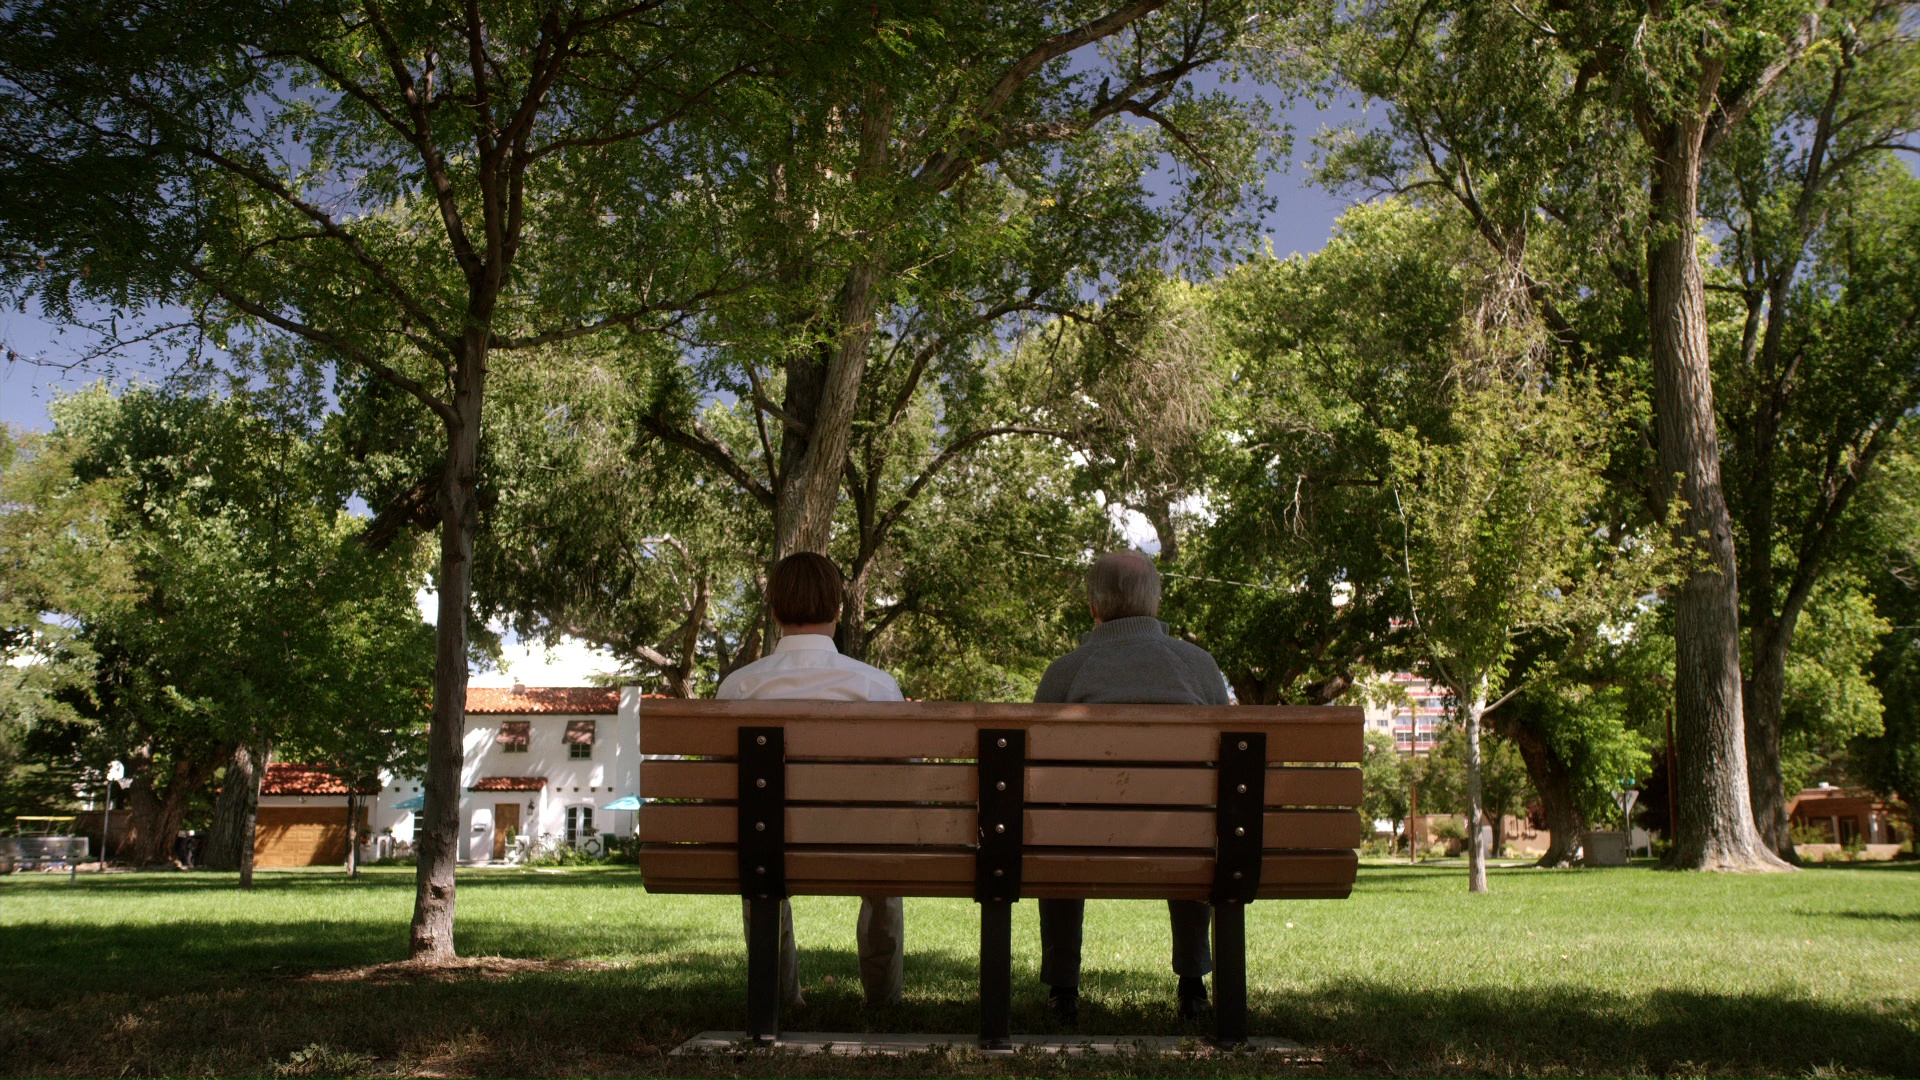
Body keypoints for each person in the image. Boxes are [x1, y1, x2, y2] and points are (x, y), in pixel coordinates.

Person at [1032, 550, 1230, 1024]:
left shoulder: (1066, 672)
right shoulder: (1199, 667)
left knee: (1056, 827)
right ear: (1155, 603)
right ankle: (1193, 983)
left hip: (1079, 845)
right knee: (1196, 821)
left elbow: (1034, 770)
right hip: (1184, 841)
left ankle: (1063, 987)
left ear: (1093, 606)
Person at [716, 552, 907, 1009]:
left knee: (758, 854)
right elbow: (907, 775)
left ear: (775, 611)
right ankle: (883, 1001)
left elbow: (720, 780)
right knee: (884, 855)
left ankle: (782, 998)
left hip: (769, 844)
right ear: (838, 610)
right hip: (862, 844)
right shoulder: (877, 687)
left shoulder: (739, 689)